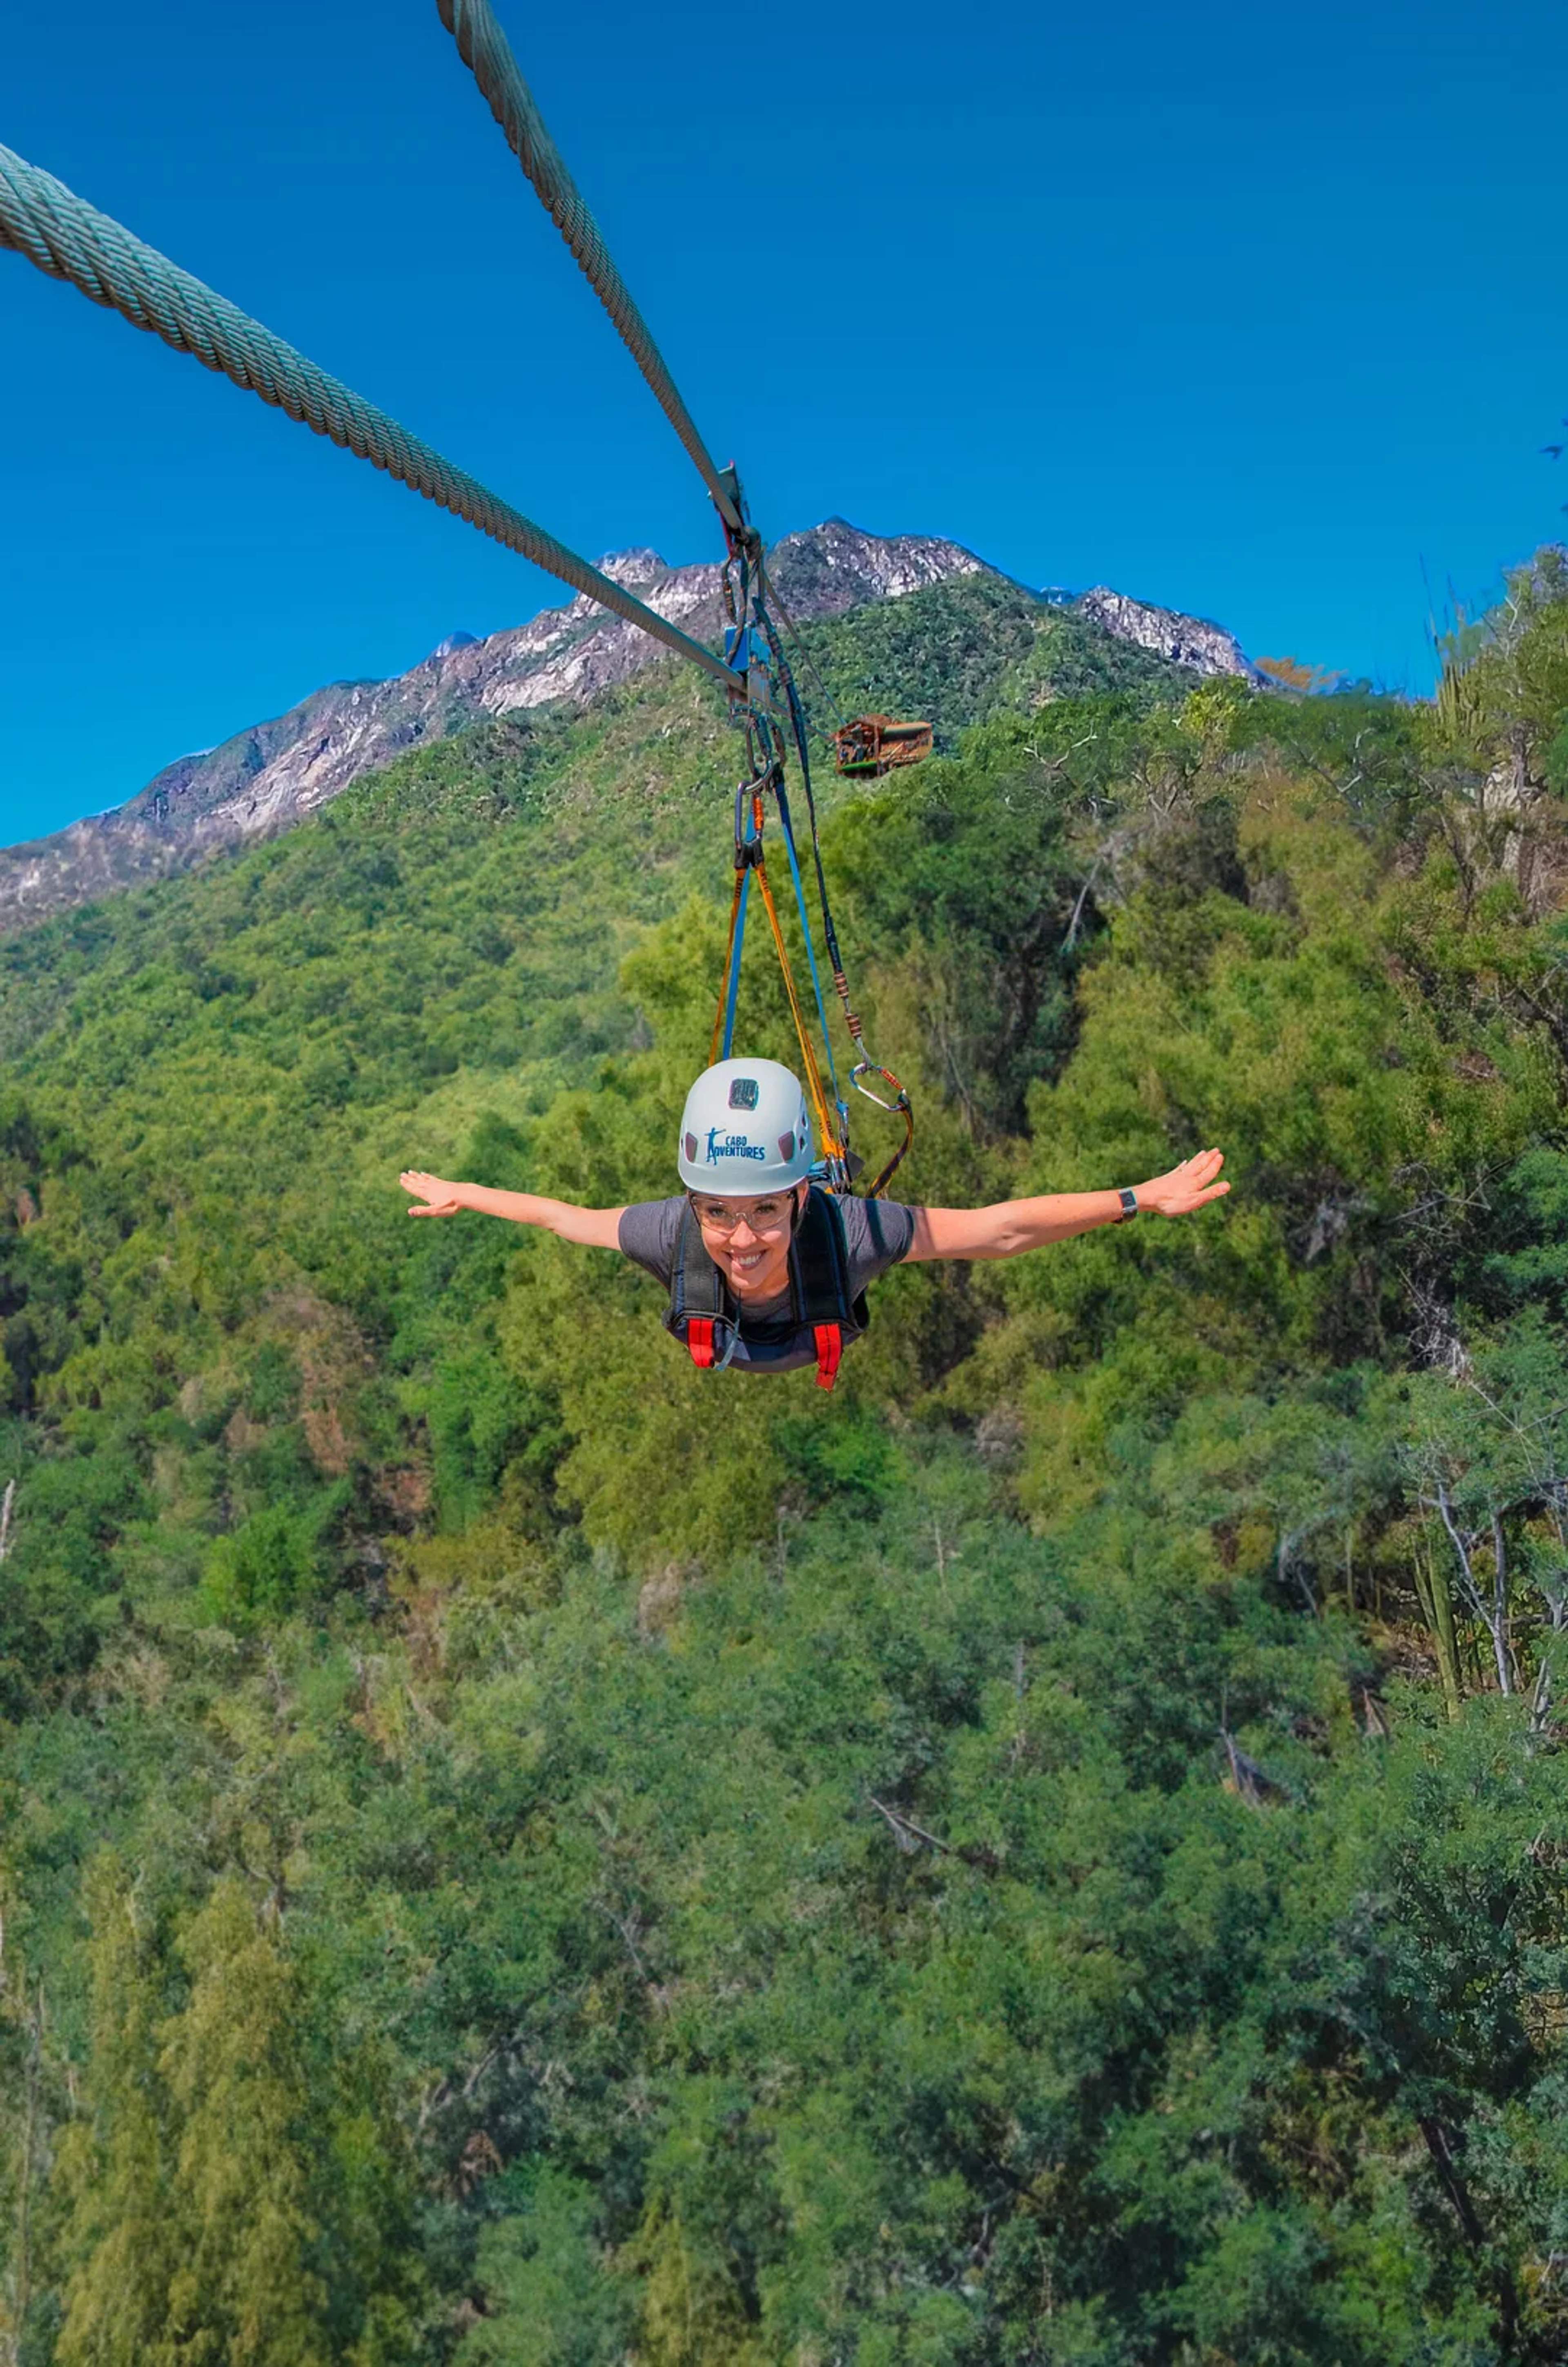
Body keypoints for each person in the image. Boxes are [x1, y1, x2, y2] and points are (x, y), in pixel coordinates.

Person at [399, 1056, 1230, 1389]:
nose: (744, 1239)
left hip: (812, 1326)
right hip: (735, 1343)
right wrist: (466, 1192)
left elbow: (999, 1229)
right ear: (691, 1206)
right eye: (720, 1214)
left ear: (804, 1196)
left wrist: (1136, 1199)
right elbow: (560, 1218)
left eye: (766, 1210)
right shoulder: (670, 1236)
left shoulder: (852, 1233)